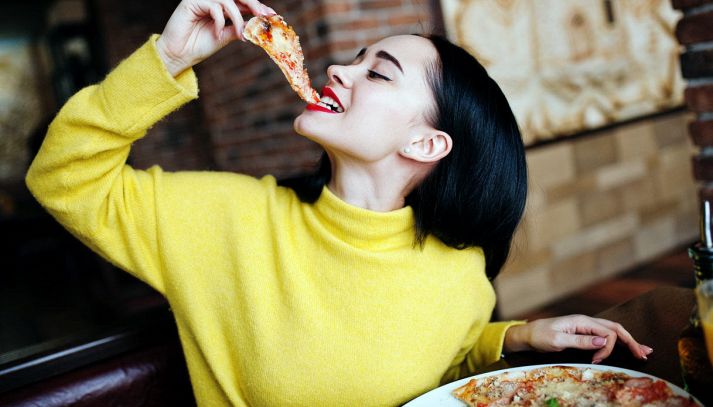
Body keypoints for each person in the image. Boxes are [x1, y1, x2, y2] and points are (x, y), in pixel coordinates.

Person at [26, 0, 653, 405]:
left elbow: (432, 356)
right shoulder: (226, 219)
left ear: (427, 142)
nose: (339, 72)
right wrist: (166, 60)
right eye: (354, 59)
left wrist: (513, 337)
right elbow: (63, 179)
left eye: (376, 73)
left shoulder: (460, 275)